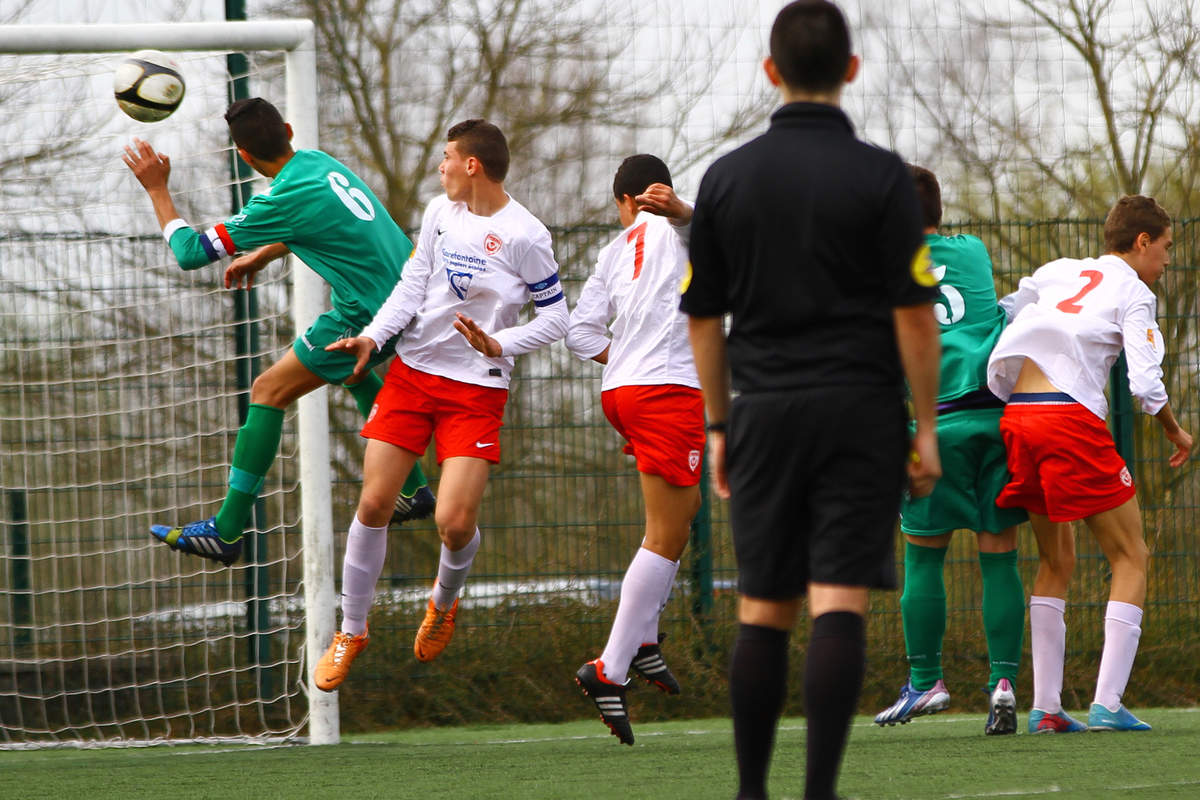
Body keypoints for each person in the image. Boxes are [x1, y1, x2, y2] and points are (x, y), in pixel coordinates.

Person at [680, 3, 943, 798]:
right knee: (839, 602)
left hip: (762, 412)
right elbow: (913, 315)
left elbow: (702, 318)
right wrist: (924, 427)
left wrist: (720, 425)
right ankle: (818, 793)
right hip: (860, 413)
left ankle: (752, 791)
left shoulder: (724, 179)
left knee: (763, 607)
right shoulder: (883, 178)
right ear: (852, 71)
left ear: (771, 72)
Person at [310, 119, 568, 690]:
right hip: (412, 376)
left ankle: (442, 604)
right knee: (375, 503)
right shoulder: (438, 213)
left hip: (476, 390)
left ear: (472, 165)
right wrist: (375, 337)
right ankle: (351, 629)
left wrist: (501, 343)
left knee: (453, 523)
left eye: (447, 157)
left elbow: (556, 318)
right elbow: (411, 284)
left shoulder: (527, 235)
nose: (441, 167)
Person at [123, 97, 433, 567]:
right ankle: (414, 489)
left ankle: (226, 531)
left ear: (244, 156)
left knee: (268, 390)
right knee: (348, 372)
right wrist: (263, 253)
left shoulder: (280, 198)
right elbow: (320, 221)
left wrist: (156, 189)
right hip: (413, 292)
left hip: (373, 313)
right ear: (288, 130)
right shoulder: (318, 163)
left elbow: (189, 252)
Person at [986, 194, 1192, 733]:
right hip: (1066, 418)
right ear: (1142, 242)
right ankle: (1107, 703)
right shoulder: (1135, 293)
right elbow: (1145, 384)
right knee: (1131, 554)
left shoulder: (1060, 270)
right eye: (1167, 248)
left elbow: (1006, 308)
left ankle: (1047, 708)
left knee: (1057, 560)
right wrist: (1175, 429)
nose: (1169, 260)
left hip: (1018, 416)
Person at [873, 165, 1028, 736]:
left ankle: (926, 681)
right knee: (1000, 557)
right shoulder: (977, 250)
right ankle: (1004, 683)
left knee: (923, 556)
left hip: (939, 422)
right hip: (997, 416)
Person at [564, 155, 703, 746]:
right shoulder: (678, 229)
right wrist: (684, 214)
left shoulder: (617, 247)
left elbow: (580, 332)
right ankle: (609, 668)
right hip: (667, 389)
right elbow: (712, 236)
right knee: (664, 534)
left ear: (622, 199)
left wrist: (623, 361)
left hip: (622, 390)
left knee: (680, 519)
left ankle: (643, 641)